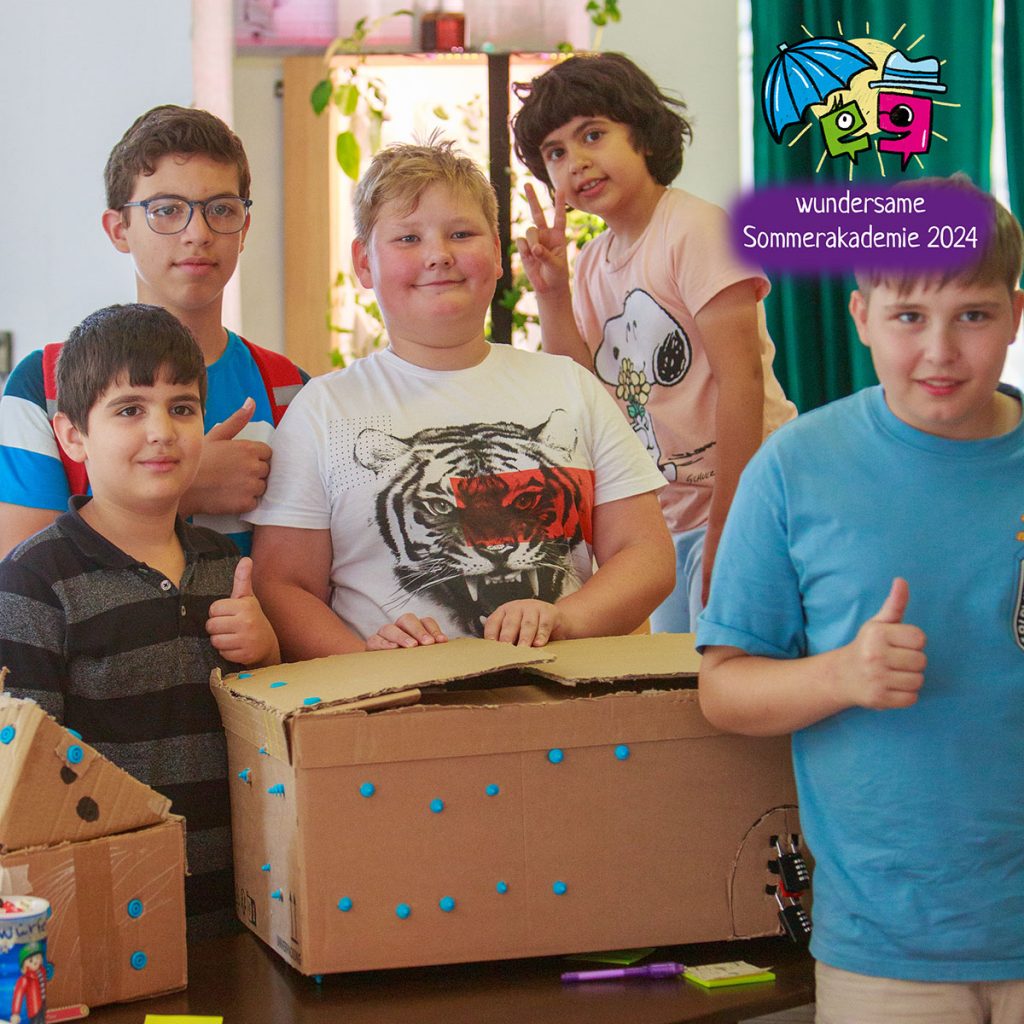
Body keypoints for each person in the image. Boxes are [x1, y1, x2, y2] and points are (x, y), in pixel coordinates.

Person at [696, 179, 1024, 1023]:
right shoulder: (793, 467)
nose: (941, 351)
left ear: (1015, 316)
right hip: (884, 946)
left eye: (974, 315)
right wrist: (841, 675)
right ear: (861, 317)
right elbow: (722, 689)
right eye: (910, 316)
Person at [246, 139, 674, 658]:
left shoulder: (570, 386)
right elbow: (283, 585)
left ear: (495, 252)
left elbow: (646, 554)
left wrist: (566, 618)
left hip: (559, 691)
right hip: (396, 698)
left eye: (461, 234)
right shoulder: (324, 410)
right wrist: (363, 663)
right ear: (364, 263)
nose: (438, 256)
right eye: (408, 238)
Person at [0, 304, 280, 939]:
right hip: (106, 917)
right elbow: (27, 777)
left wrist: (266, 655)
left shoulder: (224, 565)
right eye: (129, 410)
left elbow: (267, 734)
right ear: (72, 436)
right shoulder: (34, 581)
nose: (162, 431)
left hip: (237, 914)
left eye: (182, 408)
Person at [510, 52, 795, 632]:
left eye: (593, 135)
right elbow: (583, 393)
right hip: (666, 519)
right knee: (677, 676)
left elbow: (741, 380)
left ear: (642, 134)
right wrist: (552, 293)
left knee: (736, 666)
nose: (576, 162)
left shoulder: (696, 229)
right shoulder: (592, 262)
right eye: (555, 153)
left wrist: (730, 524)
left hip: (753, 501)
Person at [0, 104, 307, 560]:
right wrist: (183, 488)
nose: (198, 233)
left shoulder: (291, 391)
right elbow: (20, 579)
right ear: (118, 229)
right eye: (166, 210)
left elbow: (305, 576)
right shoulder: (42, 386)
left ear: (244, 229)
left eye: (221, 209)